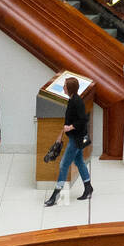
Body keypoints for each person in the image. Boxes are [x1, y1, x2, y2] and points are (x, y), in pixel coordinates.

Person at [44, 76, 93, 206]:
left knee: (63, 165)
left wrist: (71, 127)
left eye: (65, 86)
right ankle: (88, 187)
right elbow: (68, 121)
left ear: (70, 88)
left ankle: (56, 193)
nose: (63, 87)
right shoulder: (72, 100)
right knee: (79, 162)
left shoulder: (77, 101)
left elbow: (83, 120)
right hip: (74, 137)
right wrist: (61, 134)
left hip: (76, 139)